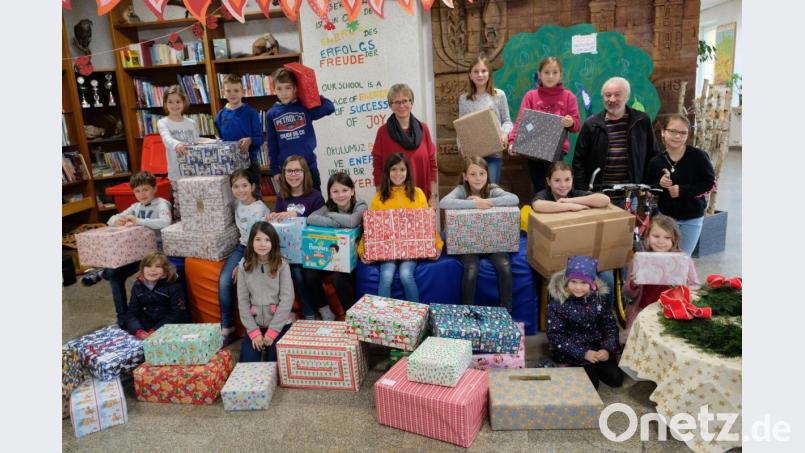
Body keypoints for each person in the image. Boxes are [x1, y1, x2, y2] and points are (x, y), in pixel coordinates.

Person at [359, 153, 443, 302]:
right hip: (388, 250)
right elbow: (371, 227)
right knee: (386, 277)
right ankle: (384, 318)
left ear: (408, 172)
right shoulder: (379, 197)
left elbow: (427, 223)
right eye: (394, 169)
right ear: (388, 172)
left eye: (402, 169)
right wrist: (362, 249)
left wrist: (437, 245)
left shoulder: (418, 194)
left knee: (406, 275)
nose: (398, 173)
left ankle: (416, 318)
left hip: (411, 249)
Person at [439, 156, 519, 311]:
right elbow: (444, 202)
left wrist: (487, 202)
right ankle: (467, 312)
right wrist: (475, 203)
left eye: (482, 173)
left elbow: (514, 199)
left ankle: (506, 310)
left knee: (504, 265)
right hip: (468, 243)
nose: (478, 178)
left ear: (487, 174)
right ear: (465, 176)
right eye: (473, 174)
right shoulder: (461, 190)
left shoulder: (492, 189)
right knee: (471, 268)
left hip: (493, 241)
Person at [102, 171, 173, 329]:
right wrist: (118, 221)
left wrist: (138, 220)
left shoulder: (162, 203)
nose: (142, 194)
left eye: (146, 189)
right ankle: (122, 317)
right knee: (114, 273)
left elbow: (165, 221)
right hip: (139, 253)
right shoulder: (136, 206)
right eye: (138, 191)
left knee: (110, 273)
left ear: (154, 189)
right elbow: (110, 219)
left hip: (158, 253)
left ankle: (101, 274)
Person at [572, 77, 658, 197]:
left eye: (617, 95)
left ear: (627, 96)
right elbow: (578, 161)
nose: (612, 99)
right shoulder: (591, 124)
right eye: (607, 95)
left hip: (633, 194)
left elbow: (653, 155)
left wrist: (650, 186)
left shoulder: (641, 121)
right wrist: (583, 191)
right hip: (599, 194)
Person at [546, 255, 623, 390]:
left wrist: (606, 349)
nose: (578, 287)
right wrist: (583, 353)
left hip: (596, 346)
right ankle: (571, 367)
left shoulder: (599, 299)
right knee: (591, 386)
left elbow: (610, 326)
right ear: (566, 281)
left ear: (592, 283)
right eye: (573, 281)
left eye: (583, 283)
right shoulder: (558, 303)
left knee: (616, 379)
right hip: (572, 350)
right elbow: (555, 336)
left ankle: (595, 365)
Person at [509, 57, 581, 194]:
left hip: (557, 153)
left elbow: (577, 125)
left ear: (560, 74)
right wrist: (513, 141)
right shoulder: (531, 96)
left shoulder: (569, 97)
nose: (550, 76)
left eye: (555, 72)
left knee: (558, 190)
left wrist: (571, 122)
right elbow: (520, 121)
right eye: (546, 72)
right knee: (540, 189)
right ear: (540, 74)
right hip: (534, 152)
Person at [647, 114, 716, 255]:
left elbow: (709, 183)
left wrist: (682, 190)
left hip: (691, 218)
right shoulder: (656, 161)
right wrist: (659, 184)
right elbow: (650, 186)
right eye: (673, 131)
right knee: (662, 258)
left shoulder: (698, 156)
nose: (677, 136)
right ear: (663, 132)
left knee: (682, 260)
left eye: (683, 133)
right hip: (665, 219)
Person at [267, 156, 324, 320]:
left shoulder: (316, 196)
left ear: (305, 172)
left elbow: (320, 226)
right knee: (293, 271)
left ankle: (312, 311)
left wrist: (297, 216)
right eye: (289, 171)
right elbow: (279, 229)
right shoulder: (282, 196)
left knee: (302, 273)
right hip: (289, 252)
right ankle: (307, 312)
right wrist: (274, 218)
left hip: (311, 248)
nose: (293, 175)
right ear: (284, 174)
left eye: (297, 170)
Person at [304, 172, 368, 314]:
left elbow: (352, 221)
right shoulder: (328, 206)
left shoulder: (360, 205)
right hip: (331, 258)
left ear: (352, 191)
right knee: (309, 273)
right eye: (335, 191)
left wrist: (330, 216)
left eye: (345, 190)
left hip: (353, 259)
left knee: (338, 278)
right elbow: (310, 218)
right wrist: (335, 222)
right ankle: (324, 309)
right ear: (330, 194)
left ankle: (351, 314)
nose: (340, 195)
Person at [218, 169, 270, 340]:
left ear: (253, 186)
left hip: (258, 249)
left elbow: (259, 241)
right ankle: (227, 326)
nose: (240, 190)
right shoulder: (237, 204)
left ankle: (259, 324)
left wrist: (242, 263)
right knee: (225, 280)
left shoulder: (260, 209)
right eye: (236, 186)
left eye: (245, 186)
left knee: (244, 277)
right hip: (242, 246)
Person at [623, 214, 700, 329]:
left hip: (673, 312)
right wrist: (633, 284)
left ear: (675, 239)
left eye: (667, 237)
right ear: (648, 236)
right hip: (643, 311)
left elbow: (695, 286)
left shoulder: (683, 260)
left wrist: (683, 288)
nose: (660, 241)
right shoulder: (639, 260)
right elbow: (627, 294)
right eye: (656, 236)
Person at [266, 68, 335, 192]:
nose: (284, 92)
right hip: (287, 170)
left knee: (316, 202)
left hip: (309, 166)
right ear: (274, 90)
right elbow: (272, 144)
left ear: (295, 89)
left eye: (288, 88)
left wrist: (311, 94)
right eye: (279, 88)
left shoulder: (304, 107)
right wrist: (275, 170)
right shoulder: (271, 114)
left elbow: (330, 108)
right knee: (291, 204)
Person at [372, 84, 439, 207]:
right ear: (390, 105)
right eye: (396, 102)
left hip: (421, 197)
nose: (401, 106)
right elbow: (377, 167)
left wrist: (433, 196)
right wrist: (380, 197)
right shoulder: (383, 132)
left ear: (411, 102)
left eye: (405, 101)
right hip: (392, 201)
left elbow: (432, 165)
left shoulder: (424, 129)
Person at [237, 222, 294, 363]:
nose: (262, 244)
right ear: (251, 242)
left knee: (274, 364)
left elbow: (287, 299)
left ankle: (269, 349)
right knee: (247, 364)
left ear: (273, 243)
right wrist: (254, 332)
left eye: (267, 240)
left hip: (279, 325)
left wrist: (272, 332)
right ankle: (259, 346)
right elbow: (243, 301)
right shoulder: (244, 266)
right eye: (258, 239)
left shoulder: (282, 265)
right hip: (255, 325)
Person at [457, 55, 513, 183]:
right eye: (476, 71)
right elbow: (461, 128)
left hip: (494, 154)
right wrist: (461, 146)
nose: (480, 75)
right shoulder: (464, 99)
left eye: (483, 71)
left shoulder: (499, 95)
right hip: (473, 157)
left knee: (492, 188)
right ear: (470, 75)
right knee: (475, 191)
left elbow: (507, 121)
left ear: (489, 74)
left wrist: (504, 134)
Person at [214, 73, 264, 199]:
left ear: (243, 92)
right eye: (228, 91)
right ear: (223, 93)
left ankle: (258, 217)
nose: (232, 94)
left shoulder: (251, 113)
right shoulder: (220, 116)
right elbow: (220, 139)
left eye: (236, 90)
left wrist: (250, 140)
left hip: (250, 162)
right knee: (233, 197)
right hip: (229, 163)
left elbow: (260, 139)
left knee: (254, 195)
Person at [157, 85, 200, 218]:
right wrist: (177, 144)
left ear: (184, 103)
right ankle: (181, 226)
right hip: (176, 171)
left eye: (178, 102)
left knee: (196, 199)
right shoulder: (163, 122)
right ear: (165, 103)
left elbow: (197, 142)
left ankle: (198, 222)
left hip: (193, 170)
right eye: (170, 102)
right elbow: (166, 139)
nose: (174, 105)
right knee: (180, 202)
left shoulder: (191, 122)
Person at [124, 252, 187, 340]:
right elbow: (131, 313)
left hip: (168, 329)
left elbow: (178, 313)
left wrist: (156, 330)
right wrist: (138, 331)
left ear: (165, 270)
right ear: (142, 269)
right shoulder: (138, 286)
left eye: (158, 266)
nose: (152, 270)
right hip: (145, 329)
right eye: (148, 266)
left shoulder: (174, 286)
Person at [531, 161, 610, 213]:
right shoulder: (544, 194)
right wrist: (570, 206)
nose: (563, 185)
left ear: (572, 179)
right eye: (557, 180)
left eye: (567, 180)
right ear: (548, 181)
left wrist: (568, 201)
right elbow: (538, 205)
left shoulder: (574, 193)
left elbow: (605, 200)